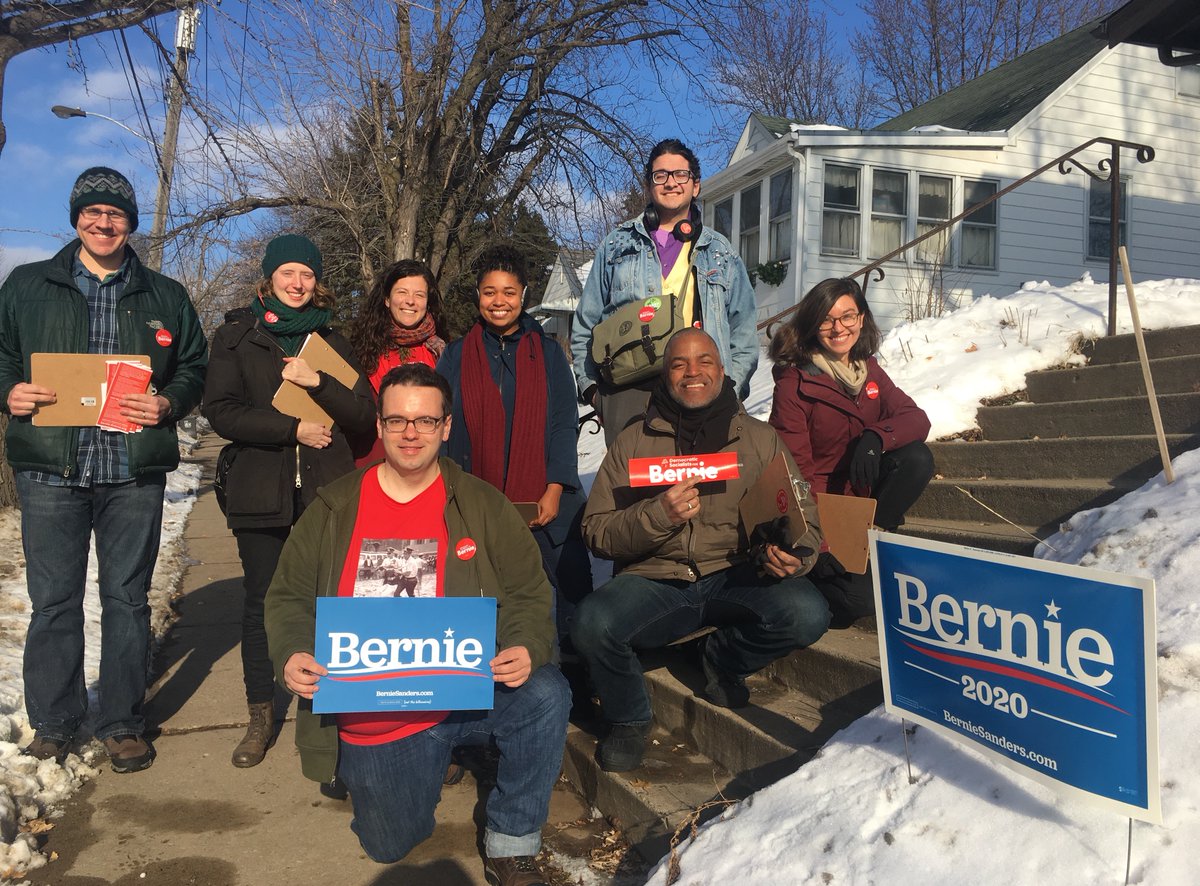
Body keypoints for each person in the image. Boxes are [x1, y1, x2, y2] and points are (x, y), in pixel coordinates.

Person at [264, 363, 569, 886]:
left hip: (463, 689)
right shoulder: (334, 508)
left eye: (426, 421)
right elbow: (288, 593)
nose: (412, 433)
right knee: (390, 845)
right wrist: (292, 651)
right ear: (379, 426)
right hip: (377, 715)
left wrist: (524, 642)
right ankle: (420, 768)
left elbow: (528, 589)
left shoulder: (481, 503)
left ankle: (511, 843)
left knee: (546, 695)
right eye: (398, 420)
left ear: (446, 428)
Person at [0, 167, 208, 772]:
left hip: (131, 472)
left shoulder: (164, 295)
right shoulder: (25, 285)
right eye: (93, 212)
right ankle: (55, 723)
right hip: (49, 472)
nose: (104, 222)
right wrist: (9, 389)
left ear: (130, 223)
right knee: (54, 601)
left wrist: (170, 402)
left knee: (127, 600)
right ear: (76, 218)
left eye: (116, 214)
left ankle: (120, 721)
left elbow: (194, 365)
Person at [571, 329, 829, 772]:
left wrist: (794, 554)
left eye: (704, 361)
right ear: (665, 376)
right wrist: (659, 516)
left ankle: (719, 659)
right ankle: (630, 718)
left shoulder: (759, 439)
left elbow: (803, 516)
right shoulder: (632, 440)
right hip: (654, 580)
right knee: (592, 623)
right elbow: (596, 532)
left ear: (722, 370)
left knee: (808, 612)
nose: (693, 372)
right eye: (679, 364)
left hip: (733, 572)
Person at [202, 234, 376, 769]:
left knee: (330, 602)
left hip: (326, 493)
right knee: (261, 604)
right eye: (287, 274)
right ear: (269, 278)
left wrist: (317, 381)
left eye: (306, 275)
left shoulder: (334, 341)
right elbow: (222, 411)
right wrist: (291, 429)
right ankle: (261, 712)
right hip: (260, 492)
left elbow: (362, 415)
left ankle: (330, 708)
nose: (297, 284)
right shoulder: (237, 337)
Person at [437, 245, 592, 645]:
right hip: (476, 499)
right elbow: (443, 427)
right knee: (485, 590)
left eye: (509, 291)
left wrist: (556, 487)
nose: (499, 301)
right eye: (490, 292)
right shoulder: (456, 355)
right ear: (477, 295)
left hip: (543, 497)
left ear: (523, 294)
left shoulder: (548, 353)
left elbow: (563, 423)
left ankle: (577, 670)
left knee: (568, 585)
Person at [768, 277, 934, 625]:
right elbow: (795, 473)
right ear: (813, 324)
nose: (838, 328)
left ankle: (873, 543)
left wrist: (876, 438)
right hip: (820, 506)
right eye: (827, 319)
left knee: (917, 457)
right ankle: (804, 581)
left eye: (847, 317)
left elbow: (916, 418)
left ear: (861, 319)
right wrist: (821, 543)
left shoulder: (867, 369)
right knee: (859, 602)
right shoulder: (794, 383)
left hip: (859, 497)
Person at [571, 138, 759, 445]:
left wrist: (730, 385)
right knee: (635, 488)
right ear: (648, 186)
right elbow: (585, 324)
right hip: (629, 390)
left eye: (680, 174)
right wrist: (593, 391)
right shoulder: (617, 245)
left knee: (702, 489)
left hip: (701, 386)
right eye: (661, 175)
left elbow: (744, 329)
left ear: (695, 186)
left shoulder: (720, 251)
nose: (671, 182)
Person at [349, 259, 447, 465]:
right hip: (373, 462)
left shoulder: (443, 353)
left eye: (419, 295)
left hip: (427, 465)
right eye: (402, 292)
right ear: (386, 298)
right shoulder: (360, 351)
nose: (410, 301)